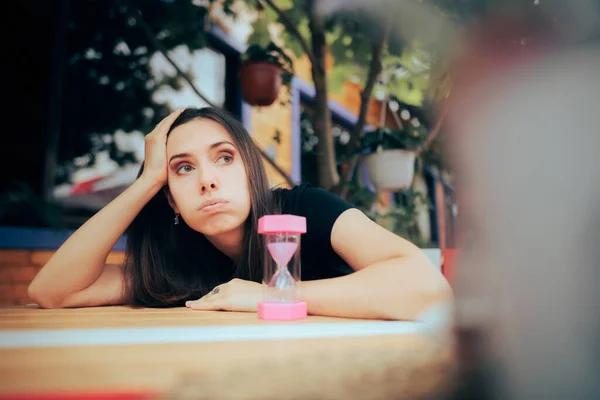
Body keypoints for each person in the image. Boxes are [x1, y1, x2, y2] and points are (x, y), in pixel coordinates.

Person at [28, 107, 452, 320]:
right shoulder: (176, 264)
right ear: (171, 199)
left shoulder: (304, 209)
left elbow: (428, 287)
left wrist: (269, 296)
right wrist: (145, 182)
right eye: (183, 168)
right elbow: (53, 292)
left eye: (224, 158)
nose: (207, 181)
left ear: (252, 171)